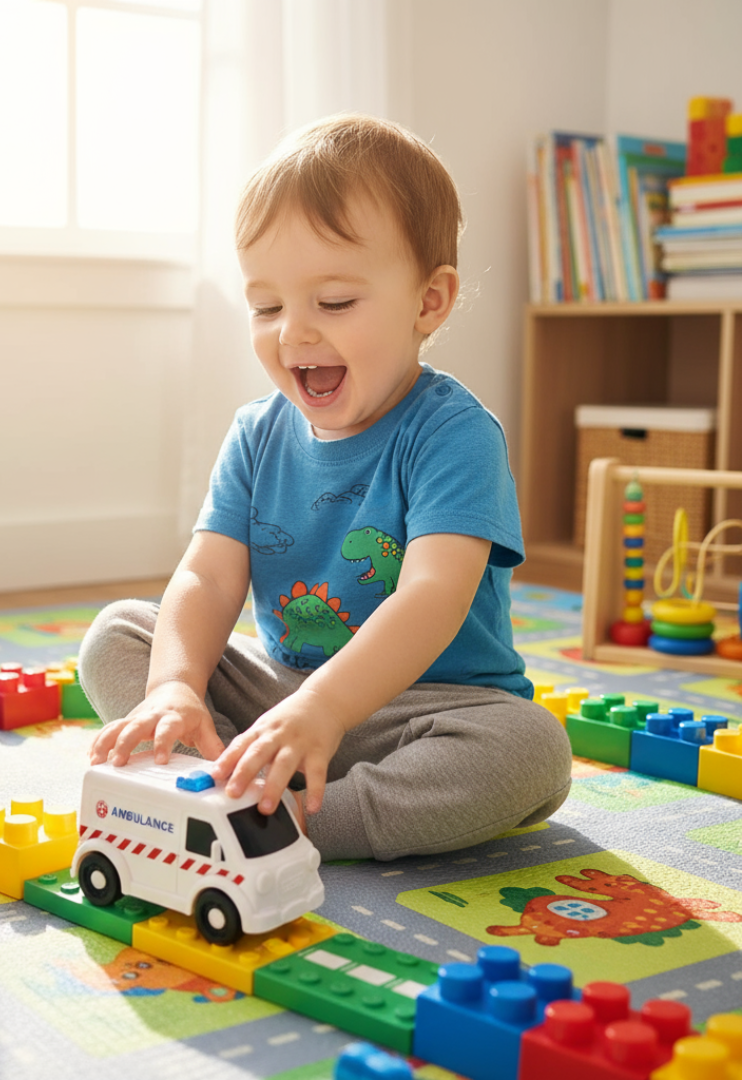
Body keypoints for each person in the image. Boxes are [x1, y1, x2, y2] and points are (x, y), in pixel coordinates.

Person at [79, 114, 572, 862]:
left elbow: (430, 597)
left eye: (334, 303)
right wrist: (174, 688)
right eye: (267, 307)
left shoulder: (454, 434)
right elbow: (209, 579)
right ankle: (223, 774)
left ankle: (293, 822)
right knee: (121, 633)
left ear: (429, 302)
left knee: (531, 748)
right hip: (282, 693)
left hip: (424, 713)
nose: (293, 333)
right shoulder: (256, 433)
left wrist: (328, 707)